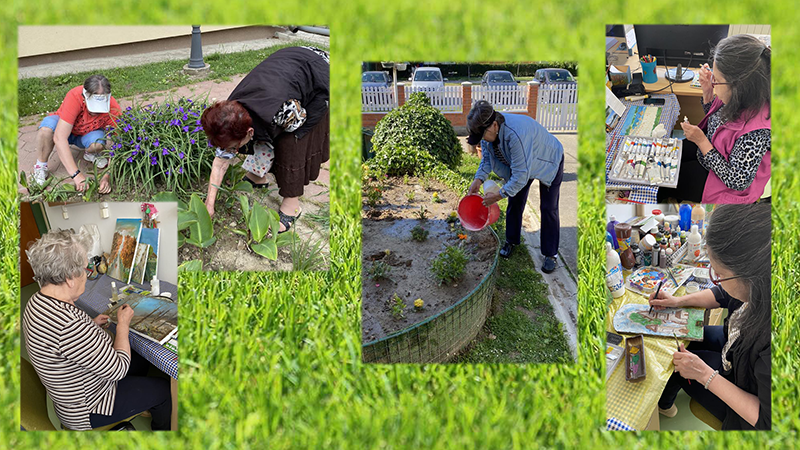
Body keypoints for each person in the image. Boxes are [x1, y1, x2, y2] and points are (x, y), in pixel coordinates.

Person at [22, 230, 171, 430]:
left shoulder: (36, 301)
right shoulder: (70, 324)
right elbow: (118, 369)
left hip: (73, 391)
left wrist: (91, 325)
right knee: (164, 391)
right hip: (88, 407)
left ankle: (140, 399)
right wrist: (123, 326)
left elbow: (60, 341)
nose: (87, 274)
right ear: (69, 278)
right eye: (84, 269)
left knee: (140, 356)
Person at [649, 203, 770, 430]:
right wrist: (677, 301)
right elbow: (722, 293)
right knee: (688, 337)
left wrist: (704, 374)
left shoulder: (772, 339)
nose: (716, 279)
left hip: (747, 405)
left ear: (752, 278)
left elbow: (765, 419)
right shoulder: (757, 283)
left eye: (720, 274)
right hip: (736, 350)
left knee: (676, 363)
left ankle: (665, 406)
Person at [201, 46, 330, 233]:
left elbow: (296, 123)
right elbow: (220, 162)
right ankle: (258, 176)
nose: (234, 152)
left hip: (320, 73)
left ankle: (292, 206)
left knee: (291, 142)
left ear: (249, 131)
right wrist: (209, 204)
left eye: (234, 148)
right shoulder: (230, 113)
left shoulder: (285, 111)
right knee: (267, 130)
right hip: (287, 64)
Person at [658, 35, 770, 204]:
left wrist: (702, 141)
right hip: (710, 154)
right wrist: (707, 92)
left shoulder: (757, 132)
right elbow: (717, 122)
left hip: (724, 184)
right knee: (664, 154)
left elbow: (737, 181)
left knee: (663, 180)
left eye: (716, 81)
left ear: (739, 87)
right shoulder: (739, 97)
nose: (714, 83)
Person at [466, 100, 564, 272]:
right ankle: (511, 240)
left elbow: (520, 176)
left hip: (548, 159)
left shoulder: (516, 135)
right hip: (523, 163)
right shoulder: (488, 133)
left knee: (549, 208)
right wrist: (478, 180)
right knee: (515, 201)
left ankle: (550, 254)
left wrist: (498, 195)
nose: (481, 140)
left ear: (494, 125)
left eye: (482, 136)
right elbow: (487, 160)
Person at [32, 74, 119, 193]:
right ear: (85, 97)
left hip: (88, 133)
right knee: (46, 130)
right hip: (64, 128)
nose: (96, 112)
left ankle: (90, 153)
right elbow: (59, 137)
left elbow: (119, 144)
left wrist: (106, 176)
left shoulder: (113, 108)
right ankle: (41, 166)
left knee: (98, 144)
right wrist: (77, 175)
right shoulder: (74, 96)